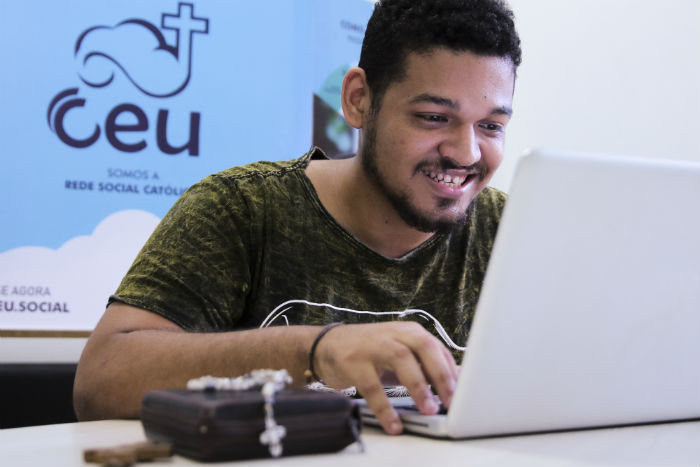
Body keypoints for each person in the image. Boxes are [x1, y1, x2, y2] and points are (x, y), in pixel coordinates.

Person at [73, 0, 521, 436]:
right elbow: (99, 382)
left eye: (491, 126)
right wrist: (315, 351)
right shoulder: (242, 208)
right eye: (433, 117)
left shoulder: (513, 228)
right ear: (358, 99)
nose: (466, 153)